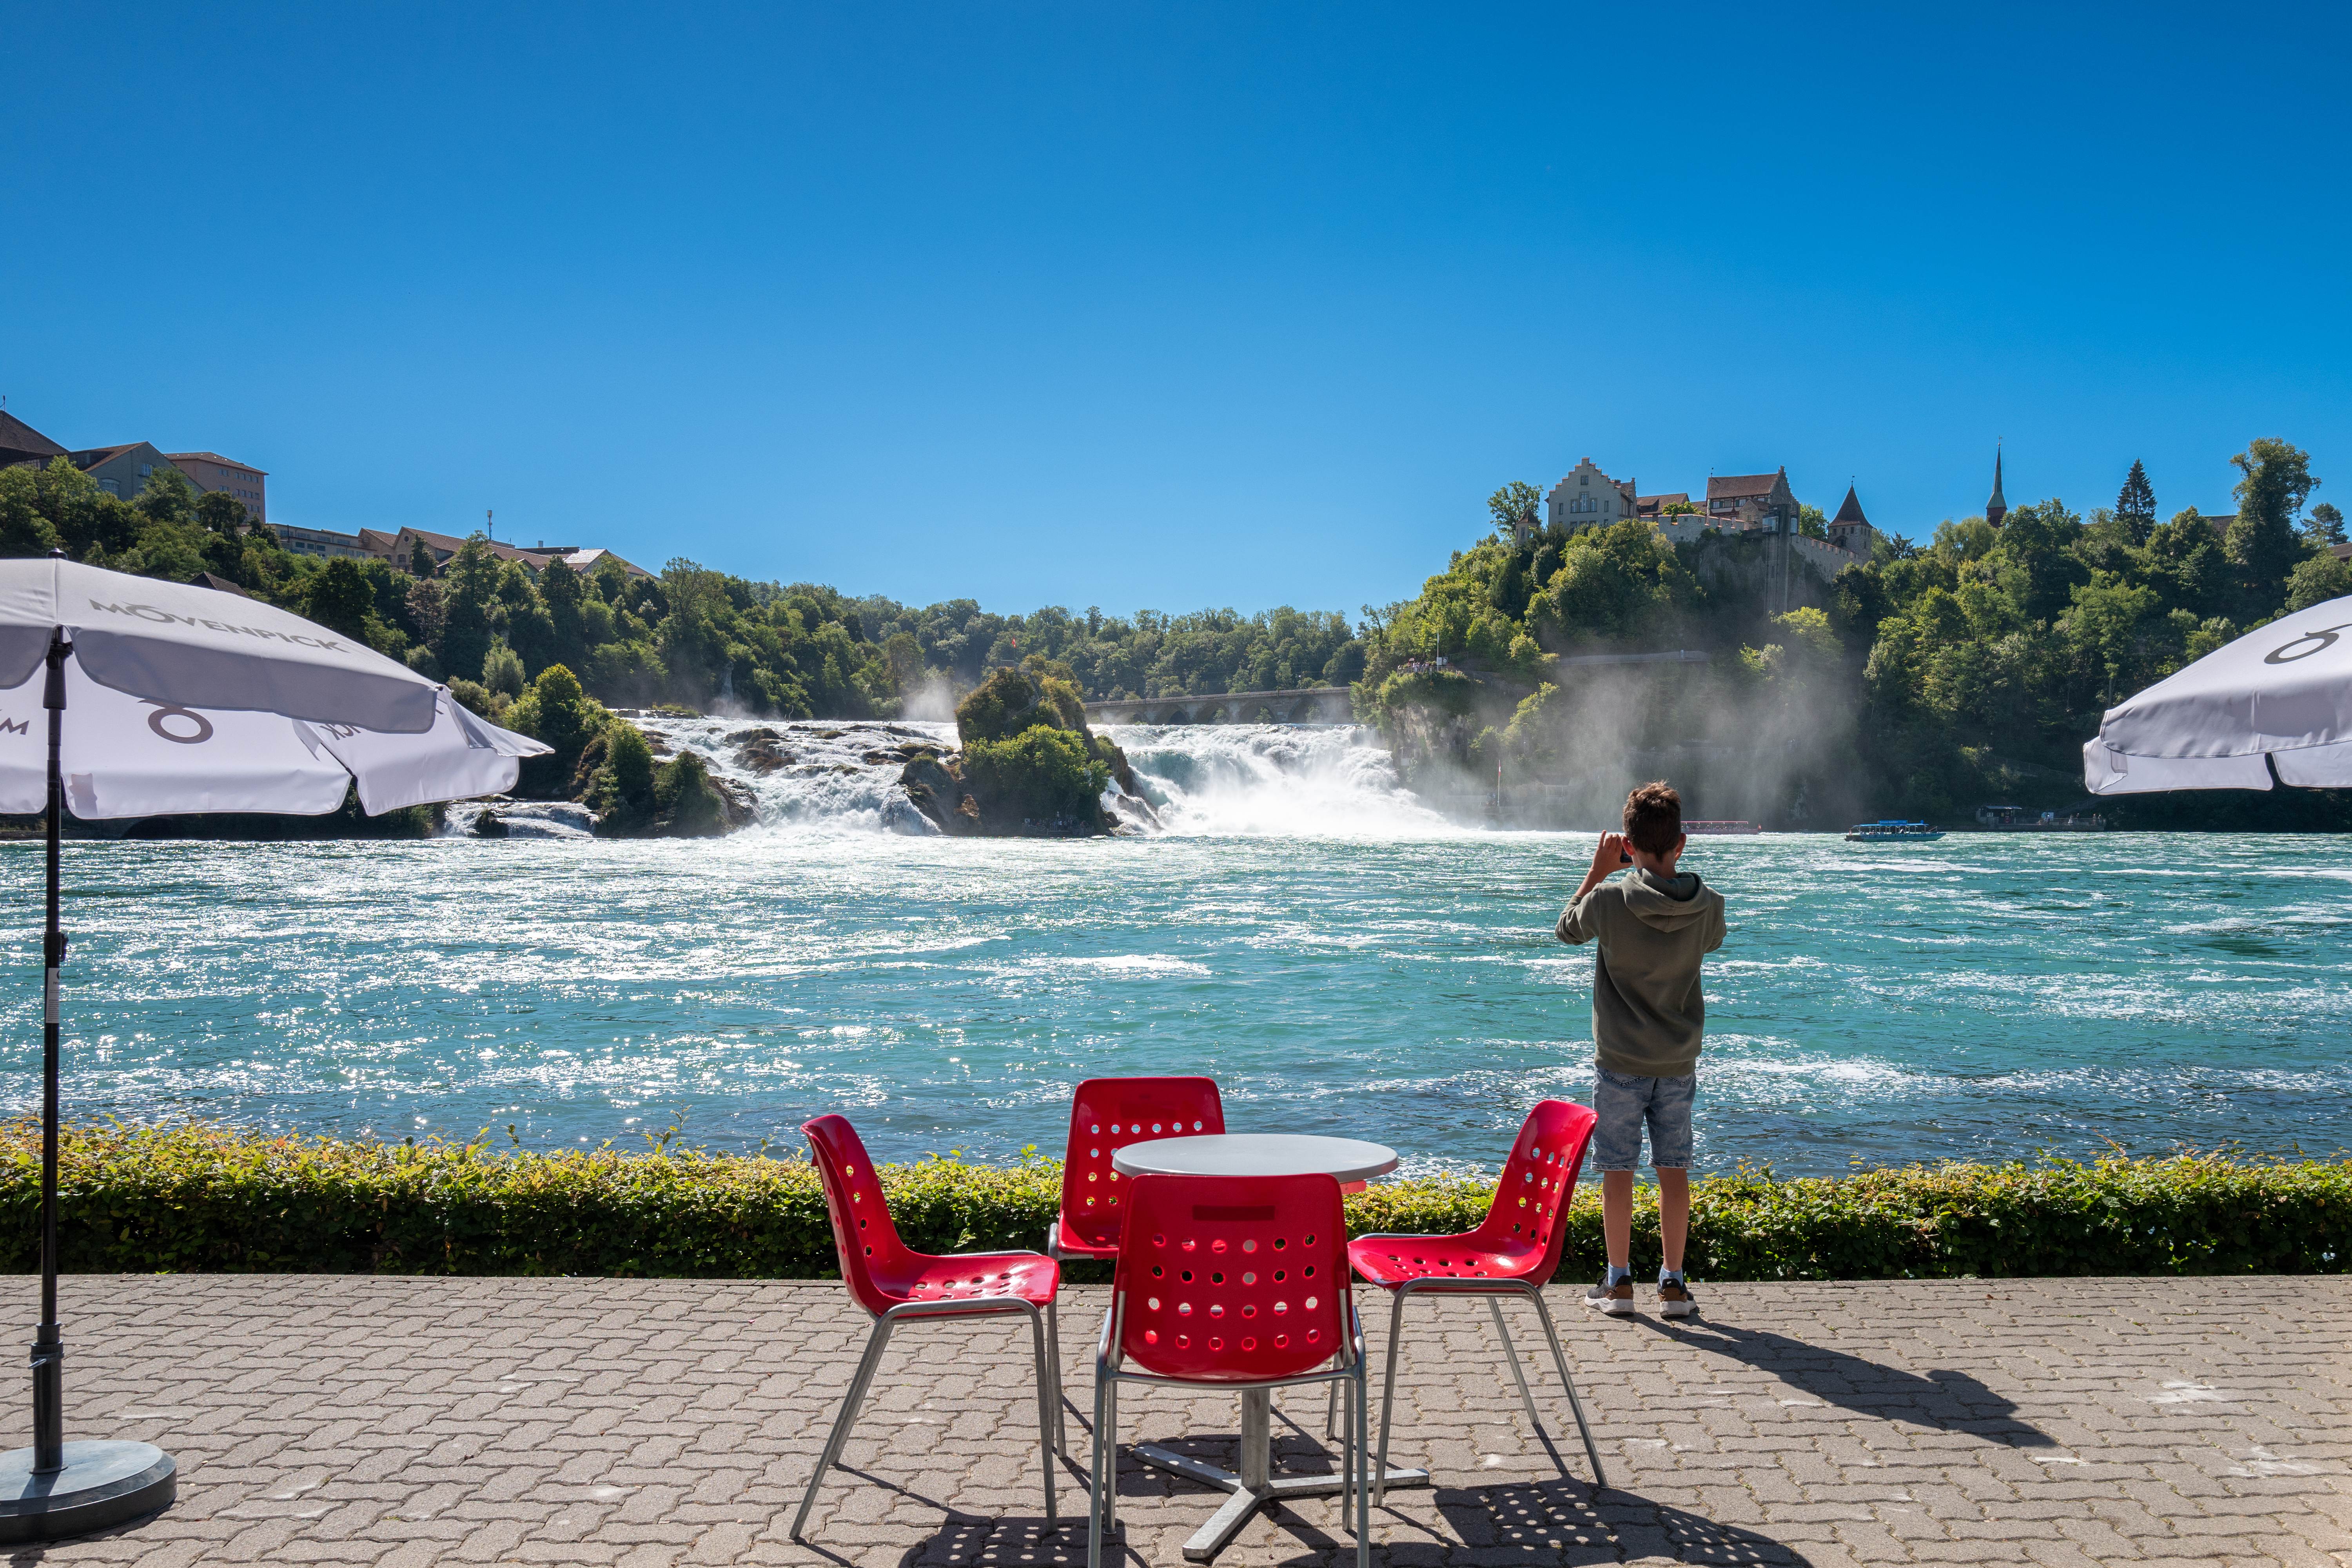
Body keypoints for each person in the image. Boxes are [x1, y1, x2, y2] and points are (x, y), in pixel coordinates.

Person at [1555, 780, 1726, 1318]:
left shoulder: (1607, 901)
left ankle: (1620, 1285)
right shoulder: (1709, 907)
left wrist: (1599, 871)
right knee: (1674, 1171)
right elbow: (1713, 942)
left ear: (1627, 843)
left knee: (1618, 1173)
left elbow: (1566, 931)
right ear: (1682, 842)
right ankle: (1673, 1286)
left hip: (1620, 1063)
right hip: (1676, 1062)